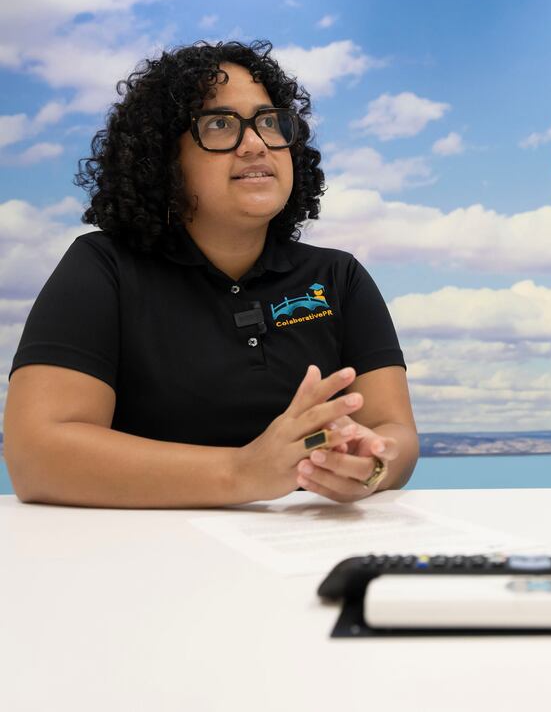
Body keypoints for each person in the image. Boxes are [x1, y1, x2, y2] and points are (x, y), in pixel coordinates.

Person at [4, 41, 418, 507]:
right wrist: (240, 473)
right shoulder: (104, 267)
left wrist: (373, 464)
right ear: (164, 159)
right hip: (144, 559)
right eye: (220, 124)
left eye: (269, 122)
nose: (256, 143)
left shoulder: (339, 277)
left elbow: (394, 432)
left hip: (304, 553)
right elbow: (36, 455)